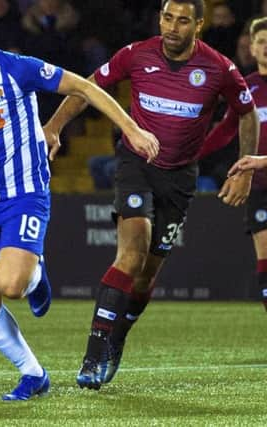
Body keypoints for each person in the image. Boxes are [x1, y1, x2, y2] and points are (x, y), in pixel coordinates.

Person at [0, 0, 159, 401]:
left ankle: (35, 276)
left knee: (11, 285)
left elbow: (84, 86)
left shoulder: (16, 68)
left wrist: (131, 128)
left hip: (24, 193)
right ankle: (33, 374)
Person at [46, 0, 259, 390]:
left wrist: (245, 166)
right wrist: (55, 126)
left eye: (182, 20)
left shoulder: (219, 68)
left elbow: (246, 112)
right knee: (130, 254)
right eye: (166, 18)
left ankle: (118, 338)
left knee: (144, 279)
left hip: (179, 179)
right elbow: (87, 88)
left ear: (199, 24)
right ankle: (93, 355)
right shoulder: (136, 55)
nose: (172, 27)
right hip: (136, 166)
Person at [203, 17, 267, 313]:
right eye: (261, 42)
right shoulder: (248, 88)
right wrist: (191, 154)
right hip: (260, 186)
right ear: (251, 48)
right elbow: (227, 129)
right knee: (265, 256)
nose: (266, 48)